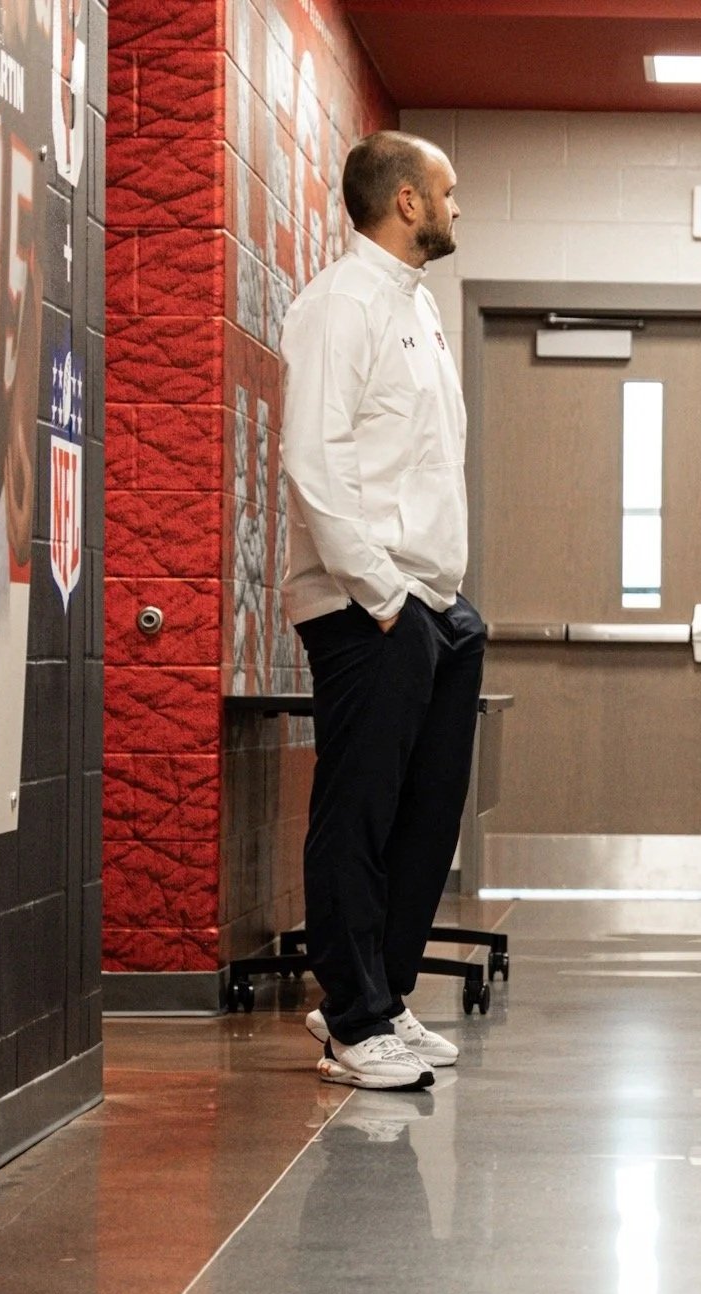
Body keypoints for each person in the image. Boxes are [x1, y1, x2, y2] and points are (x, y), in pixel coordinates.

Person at [280, 131, 485, 1089]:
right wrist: (384, 594)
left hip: (433, 604)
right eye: (447, 192)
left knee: (424, 818)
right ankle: (352, 1017)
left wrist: (436, 603)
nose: (457, 206)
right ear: (406, 201)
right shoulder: (339, 306)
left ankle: (385, 998)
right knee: (358, 814)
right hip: (371, 606)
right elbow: (313, 464)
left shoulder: (418, 308)